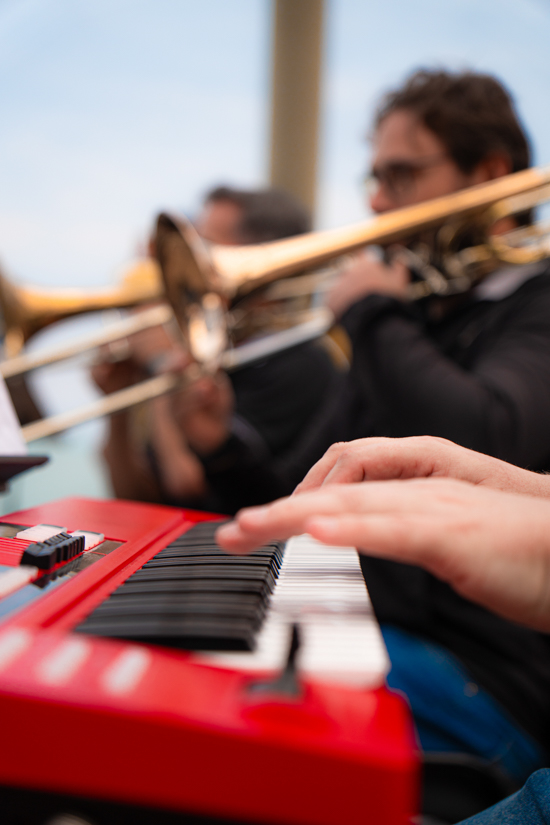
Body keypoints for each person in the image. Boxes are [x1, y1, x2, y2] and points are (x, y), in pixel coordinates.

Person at [167, 69, 550, 784]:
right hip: (362, 630)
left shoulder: (533, 302)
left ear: (490, 174)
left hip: (486, 680)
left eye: (400, 175)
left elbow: (493, 435)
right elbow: (304, 492)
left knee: (206, 697)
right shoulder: (419, 319)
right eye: (373, 176)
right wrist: (222, 445)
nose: (376, 200)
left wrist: (375, 316)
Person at [215, 435, 550, 825]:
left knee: (274, 713)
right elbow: (295, 494)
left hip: (501, 681)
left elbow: (479, 419)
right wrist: (221, 450)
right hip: (415, 634)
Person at [92, 185, 340, 509]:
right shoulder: (218, 353)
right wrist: (118, 402)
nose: (186, 265)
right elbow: (134, 498)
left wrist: (161, 366)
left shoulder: (301, 364)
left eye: (205, 249)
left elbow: (190, 492)